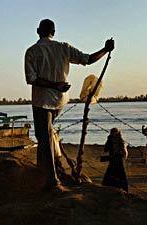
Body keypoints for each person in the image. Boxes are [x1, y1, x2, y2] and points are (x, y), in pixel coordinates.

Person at [25, 19, 115, 189]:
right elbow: (87, 59)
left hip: (42, 101)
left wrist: (54, 85)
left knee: (44, 138)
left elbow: (32, 79)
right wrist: (105, 49)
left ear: (38, 31)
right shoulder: (63, 48)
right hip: (59, 101)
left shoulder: (32, 51)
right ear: (54, 32)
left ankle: (52, 179)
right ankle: (44, 171)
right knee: (46, 134)